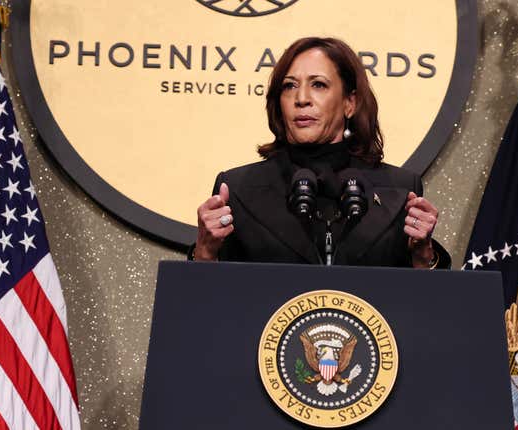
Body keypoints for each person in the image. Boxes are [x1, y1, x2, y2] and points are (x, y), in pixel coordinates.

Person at [191, 37, 451, 268]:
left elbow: (425, 308)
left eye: (318, 85)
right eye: (289, 86)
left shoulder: (400, 191)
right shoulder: (238, 189)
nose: (301, 98)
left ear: (350, 103)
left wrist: (423, 256)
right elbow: (206, 305)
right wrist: (204, 252)